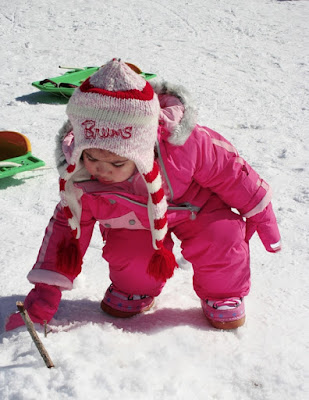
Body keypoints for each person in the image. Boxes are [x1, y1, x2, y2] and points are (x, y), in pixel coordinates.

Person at [5, 59, 281, 331]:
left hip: (195, 207)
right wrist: (44, 295)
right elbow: (67, 232)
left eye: (116, 163)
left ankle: (223, 295)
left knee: (222, 237)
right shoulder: (81, 179)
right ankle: (135, 290)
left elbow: (232, 172)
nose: (102, 171)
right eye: (91, 157)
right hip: (134, 220)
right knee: (131, 260)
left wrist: (260, 211)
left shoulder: (184, 144)